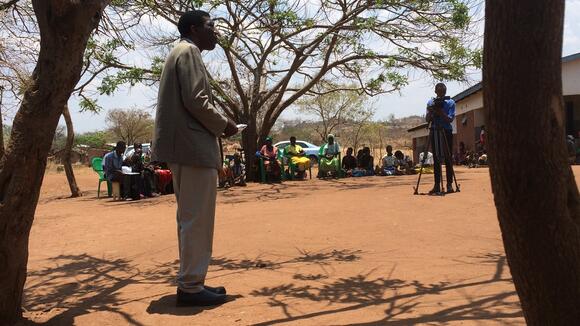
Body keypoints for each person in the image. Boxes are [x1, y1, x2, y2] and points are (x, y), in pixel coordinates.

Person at [152, 10, 239, 307]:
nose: (215, 32)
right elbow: (197, 101)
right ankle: (190, 287)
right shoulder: (188, 51)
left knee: (190, 219)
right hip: (192, 149)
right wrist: (225, 125)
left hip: (185, 149)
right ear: (194, 29)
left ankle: (193, 280)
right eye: (211, 26)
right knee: (196, 220)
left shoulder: (182, 52)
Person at [426, 82, 456, 194]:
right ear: (435, 91)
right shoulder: (430, 102)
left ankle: (449, 185)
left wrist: (441, 112)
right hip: (434, 130)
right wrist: (431, 111)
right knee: (436, 158)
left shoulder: (451, 102)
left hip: (446, 131)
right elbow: (427, 119)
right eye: (439, 91)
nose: (441, 93)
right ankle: (437, 185)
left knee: (448, 157)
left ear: (446, 91)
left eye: (443, 91)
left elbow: (450, 119)